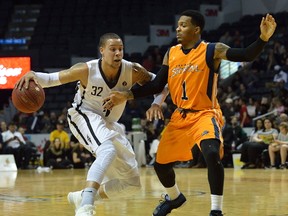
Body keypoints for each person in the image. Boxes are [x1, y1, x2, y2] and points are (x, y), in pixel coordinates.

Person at [103, 11, 277, 216]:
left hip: (205, 113)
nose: (178, 28)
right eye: (178, 25)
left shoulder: (213, 50)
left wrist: (263, 38)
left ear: (196, 30)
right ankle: (175, 198)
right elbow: (157, 84)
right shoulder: (172, 53)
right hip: (180, 116)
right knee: (161, 165)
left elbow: (246, 54)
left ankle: (216, 211)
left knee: (211, 153)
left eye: (183, 25)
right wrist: (127, 95)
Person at [16, 32, 167, 216]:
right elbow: (53, 79)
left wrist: (156, 103)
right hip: (83, 115)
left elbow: (161, 85)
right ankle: (86, 206)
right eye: (113, 49)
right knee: (107, 149)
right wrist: (34, 75)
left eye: (120, 49)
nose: (118, 53)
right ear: (102, 51)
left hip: (109, 123)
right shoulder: (86, 70)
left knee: (131, 183)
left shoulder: (133, 70)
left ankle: (81, 196)